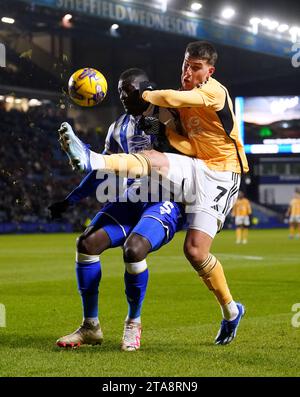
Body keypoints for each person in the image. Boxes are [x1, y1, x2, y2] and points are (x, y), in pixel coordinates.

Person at [59, 41, 249, 345]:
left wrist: (149, 100)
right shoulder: (125, 125)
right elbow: (189, 148)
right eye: (186, 64)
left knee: (195, 251)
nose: (188, 71)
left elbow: (171, 99)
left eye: (196, 67)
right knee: (91, 238)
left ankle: (229, 311)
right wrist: (167, 133)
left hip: (221, 175)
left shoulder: (206, 92)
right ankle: (90, 325)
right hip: (180, 173)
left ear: (209, 71)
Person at [50, 68, 185, 351]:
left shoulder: (157, 118)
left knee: (134, 249)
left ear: (146, 89)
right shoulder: (117, 127)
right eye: (121, 90)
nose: (122, 95)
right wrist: (70, 200)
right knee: (87, 243)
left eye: (129, 90)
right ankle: (90, 327)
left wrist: (153, 119)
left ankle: (133, 323)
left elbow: (160, 142)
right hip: (132, 197)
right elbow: (103, 172)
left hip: (165, 199)